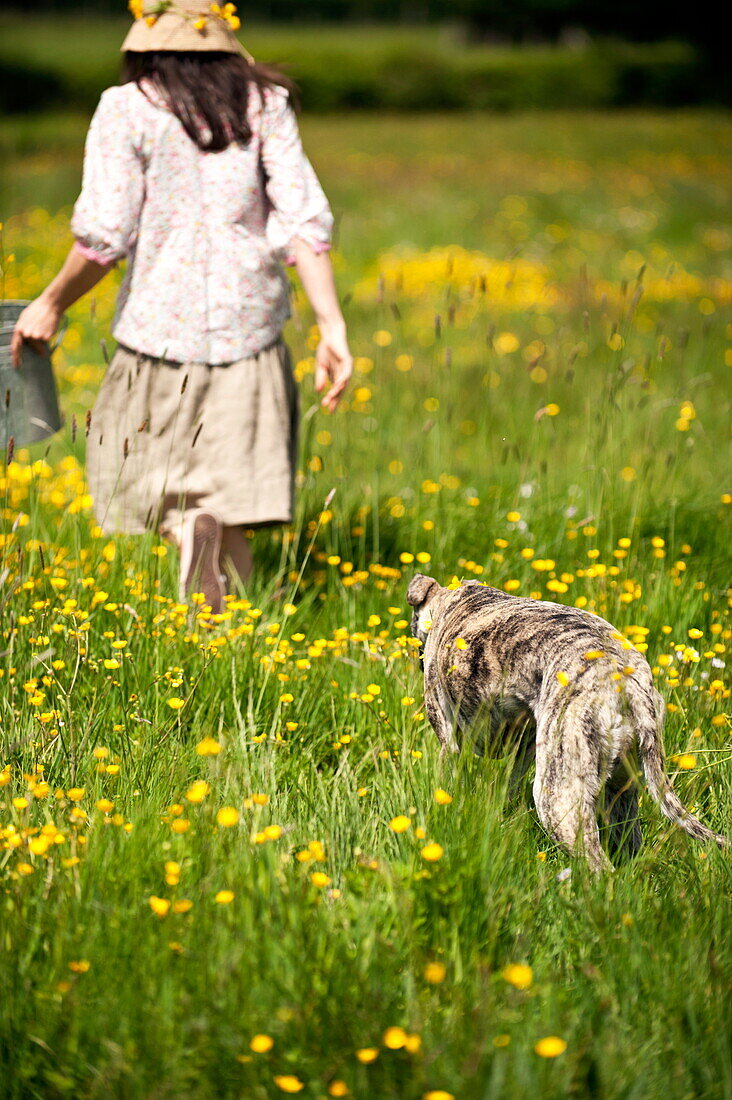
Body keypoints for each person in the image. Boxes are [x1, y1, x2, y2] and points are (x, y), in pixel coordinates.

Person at [11, 0, 352, 613]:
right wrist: (333, 327)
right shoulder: (264, 103)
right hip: (249, 327)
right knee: (233, 495)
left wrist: (52, 303)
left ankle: (183, 534)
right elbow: (302, 221)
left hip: (157, 330)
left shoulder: (128, 106)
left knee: (149, 478)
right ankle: (226, 628)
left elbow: (105, 234)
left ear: (146, 41)